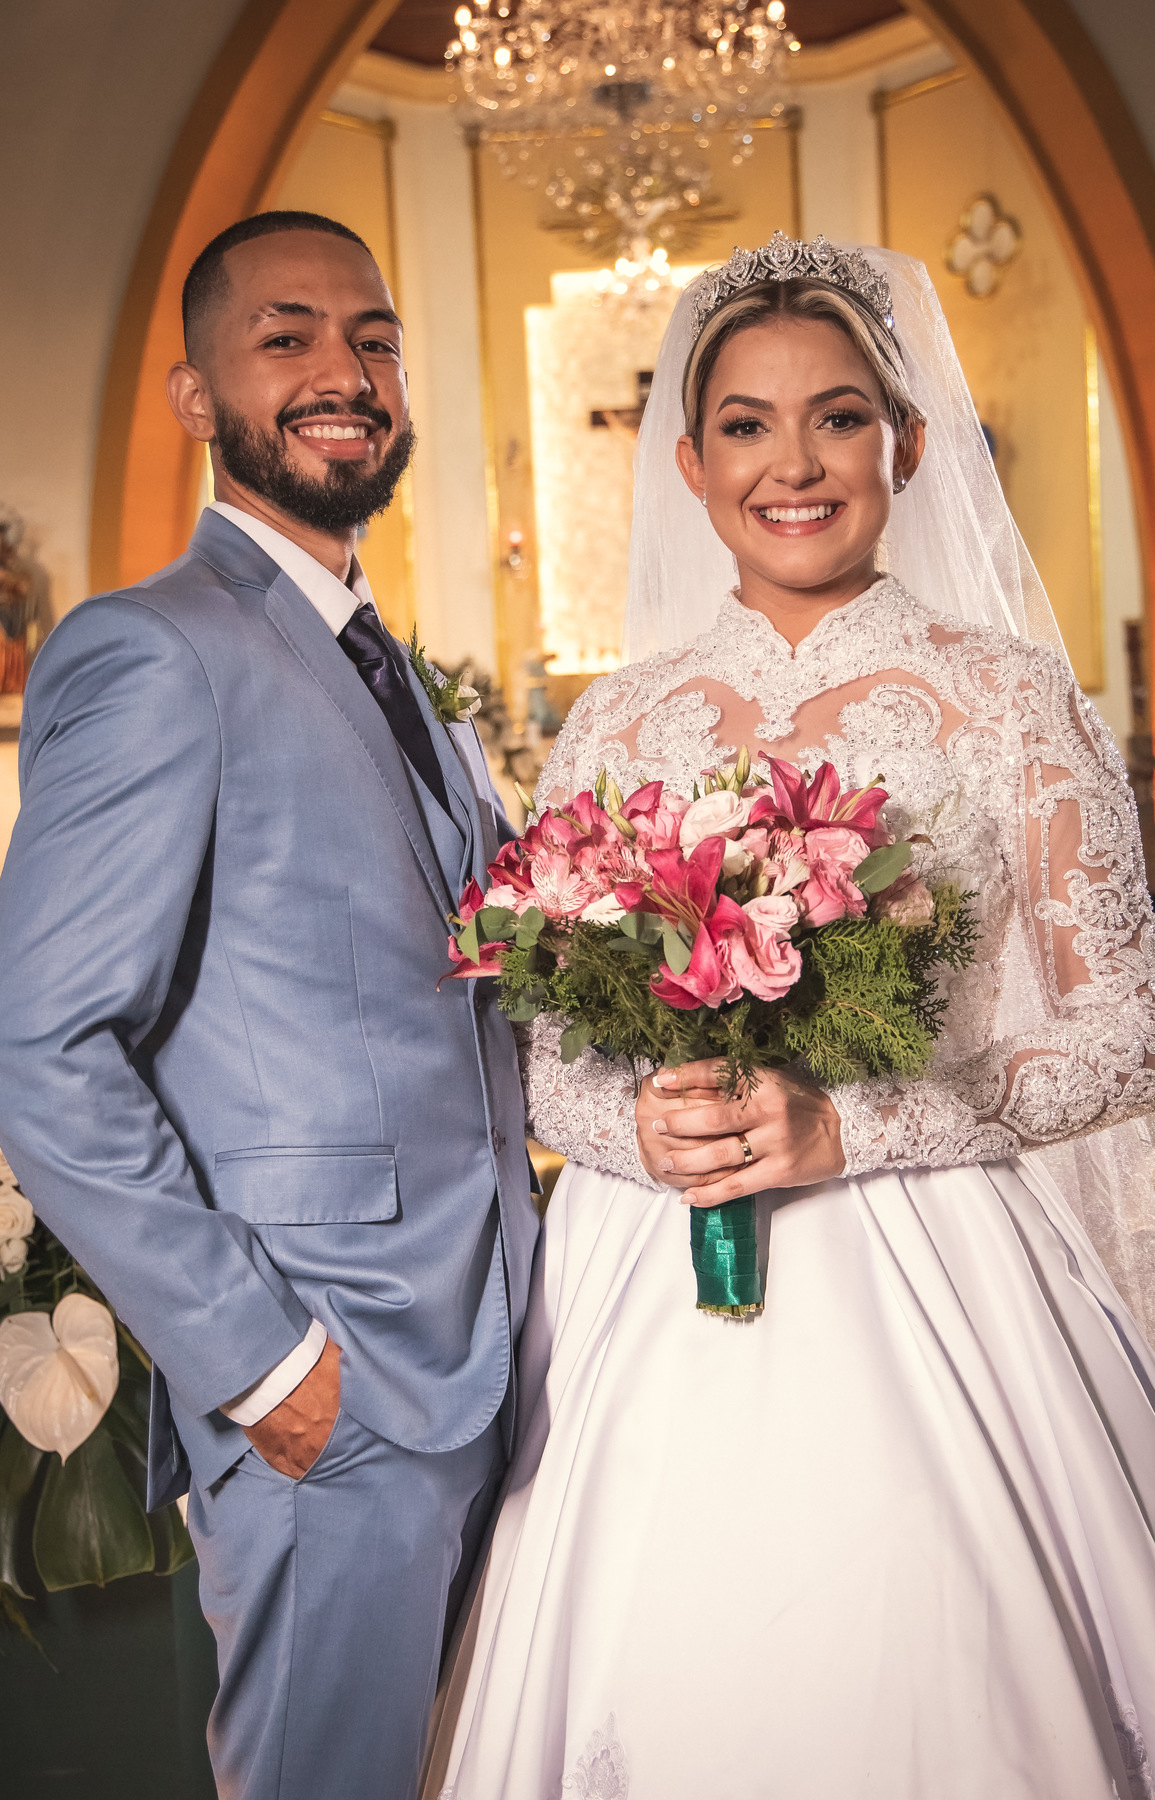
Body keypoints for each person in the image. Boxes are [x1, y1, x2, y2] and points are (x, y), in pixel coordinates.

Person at [424, 237, 1155, 1799]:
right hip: (655, 1261)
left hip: (943, 1267)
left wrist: (856, 1126)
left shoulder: (1010, 698)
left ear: (906, 448)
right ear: (693, 465)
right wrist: (632, 1124)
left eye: (840, 417)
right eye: (750, 426)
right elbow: (550, 1050)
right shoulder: (614, 724)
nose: (797, 463)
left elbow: (1124, 1033)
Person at [0, 210, 538, 1800]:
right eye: (286, 337)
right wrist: (261, 1361)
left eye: (370, 338)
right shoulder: (150, 651)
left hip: (488, 1350)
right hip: (333, 1382)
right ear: (193, 395)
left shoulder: (383, 660)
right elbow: (43, 1044)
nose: (343, 373)